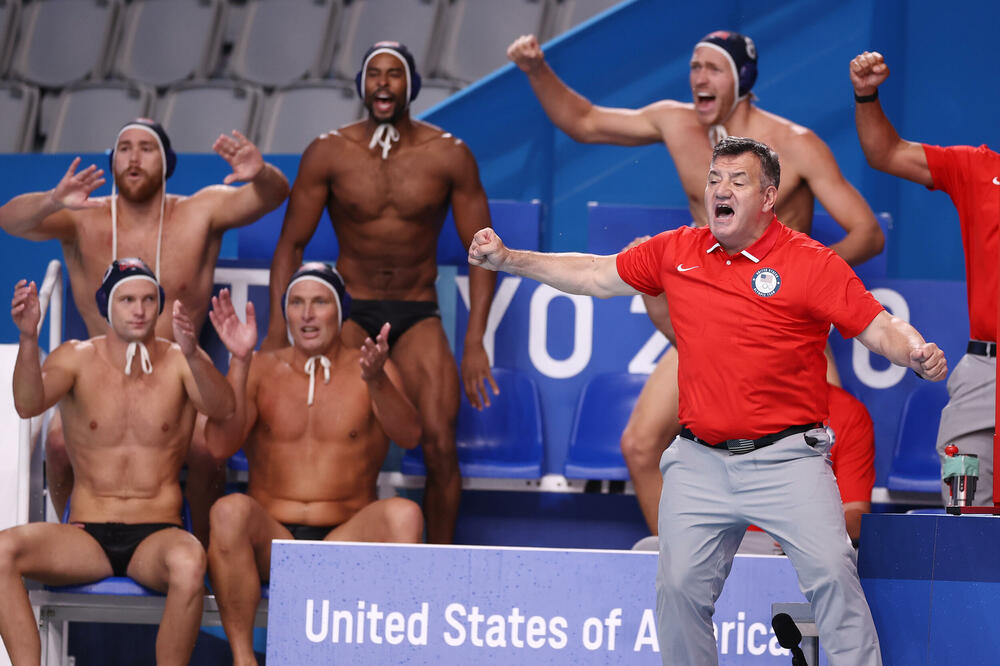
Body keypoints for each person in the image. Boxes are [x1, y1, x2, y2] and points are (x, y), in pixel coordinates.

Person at [468, 137, 946, 665]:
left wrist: (913, 351)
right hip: (699, 462)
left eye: (738, 181)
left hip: (788, 461)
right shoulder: (678, 251)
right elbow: (594, 273)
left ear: (768, 197)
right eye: (714, 179)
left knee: (835, 577)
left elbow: (878, 325)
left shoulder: (811, 263)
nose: (721, 190)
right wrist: (510, 259)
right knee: (677, 592)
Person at [508, 31, 885, 535]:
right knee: (640, 445)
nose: (698, 78)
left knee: (818, 443)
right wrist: (536, 69)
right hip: (710, 311)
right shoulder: (675, 122)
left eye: (713, 68)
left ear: (742, 80)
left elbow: (867, 233)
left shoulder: (795, 145)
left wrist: (794, 275)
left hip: (781, 319)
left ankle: (793, 568)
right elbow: (584, 121)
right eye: (694, 67)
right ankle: (683, 562)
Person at [0, 119, 290, 539]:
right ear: (112, 160)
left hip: (177, 378)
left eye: (146, 148)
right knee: (58, 444)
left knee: (208, 448)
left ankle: (202, 547)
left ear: (167, 161)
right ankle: (75, 535)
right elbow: (9, 220)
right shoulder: (83, 217)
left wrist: (261, 173)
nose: (134, 158)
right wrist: (51, 200)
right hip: (99, 380)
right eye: (124, 148)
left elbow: (274, 194)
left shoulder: (199, 211)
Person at [263, 42, 498, 543]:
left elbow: (483, 250)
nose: (384, 83)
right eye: (375, 74)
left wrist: (475, 340)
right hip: (351, 310)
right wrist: (276, 330)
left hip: (417, 310)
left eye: (394, 74)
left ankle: (437, 564)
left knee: (439, 444)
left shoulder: (448, 155)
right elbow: (290, 245)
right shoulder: (329, 152)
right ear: (362, 85)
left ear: (411, 84)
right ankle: (346, 545)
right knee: (338, 436)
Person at [0, 259, 239, 666]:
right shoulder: (75, 358)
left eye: (148, 299)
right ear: (106, 306)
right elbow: (27, 403)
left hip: (156, 535)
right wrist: (27, 338)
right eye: (127, 299)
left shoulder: (180, 360)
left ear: (160, 305)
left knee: (189, 561)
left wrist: (194, 352)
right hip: (87, 536)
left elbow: (223, 408)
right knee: (3, 549)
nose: (139, 309)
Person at [205, 263, 423, 664]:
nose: (307, 314)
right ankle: (243, 659)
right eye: (297, 303)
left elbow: (410, 436)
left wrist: (377, 380)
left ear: (340, 311)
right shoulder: (260, 367)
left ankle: (389, 657)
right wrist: (239, 361)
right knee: (228, 511)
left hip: (345, 540)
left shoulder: (370, 367)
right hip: (274, 543)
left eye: (319, 302)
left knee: (404, 515)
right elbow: (219, 446)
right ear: (285, 312)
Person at [850, 50, 997, 507]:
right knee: (961, 513)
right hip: (984, 373)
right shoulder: (978, 169)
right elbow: (885, 152)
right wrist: (866, 95)